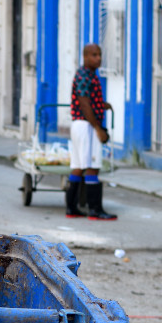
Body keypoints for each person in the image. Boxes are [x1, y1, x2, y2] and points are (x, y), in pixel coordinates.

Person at [68, 43, 116, 220]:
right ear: (85, 56)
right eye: (94, 55)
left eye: (100, 55)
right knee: (92, 167)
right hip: (87, 126)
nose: (98, 58)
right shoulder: (84, 75)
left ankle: (71, 208)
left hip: (80, 124)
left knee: (78, 167)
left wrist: (103, 105)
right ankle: (95, 210)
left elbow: (89, 100)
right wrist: (98, 128)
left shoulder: (89, 75)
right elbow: (84, 102)